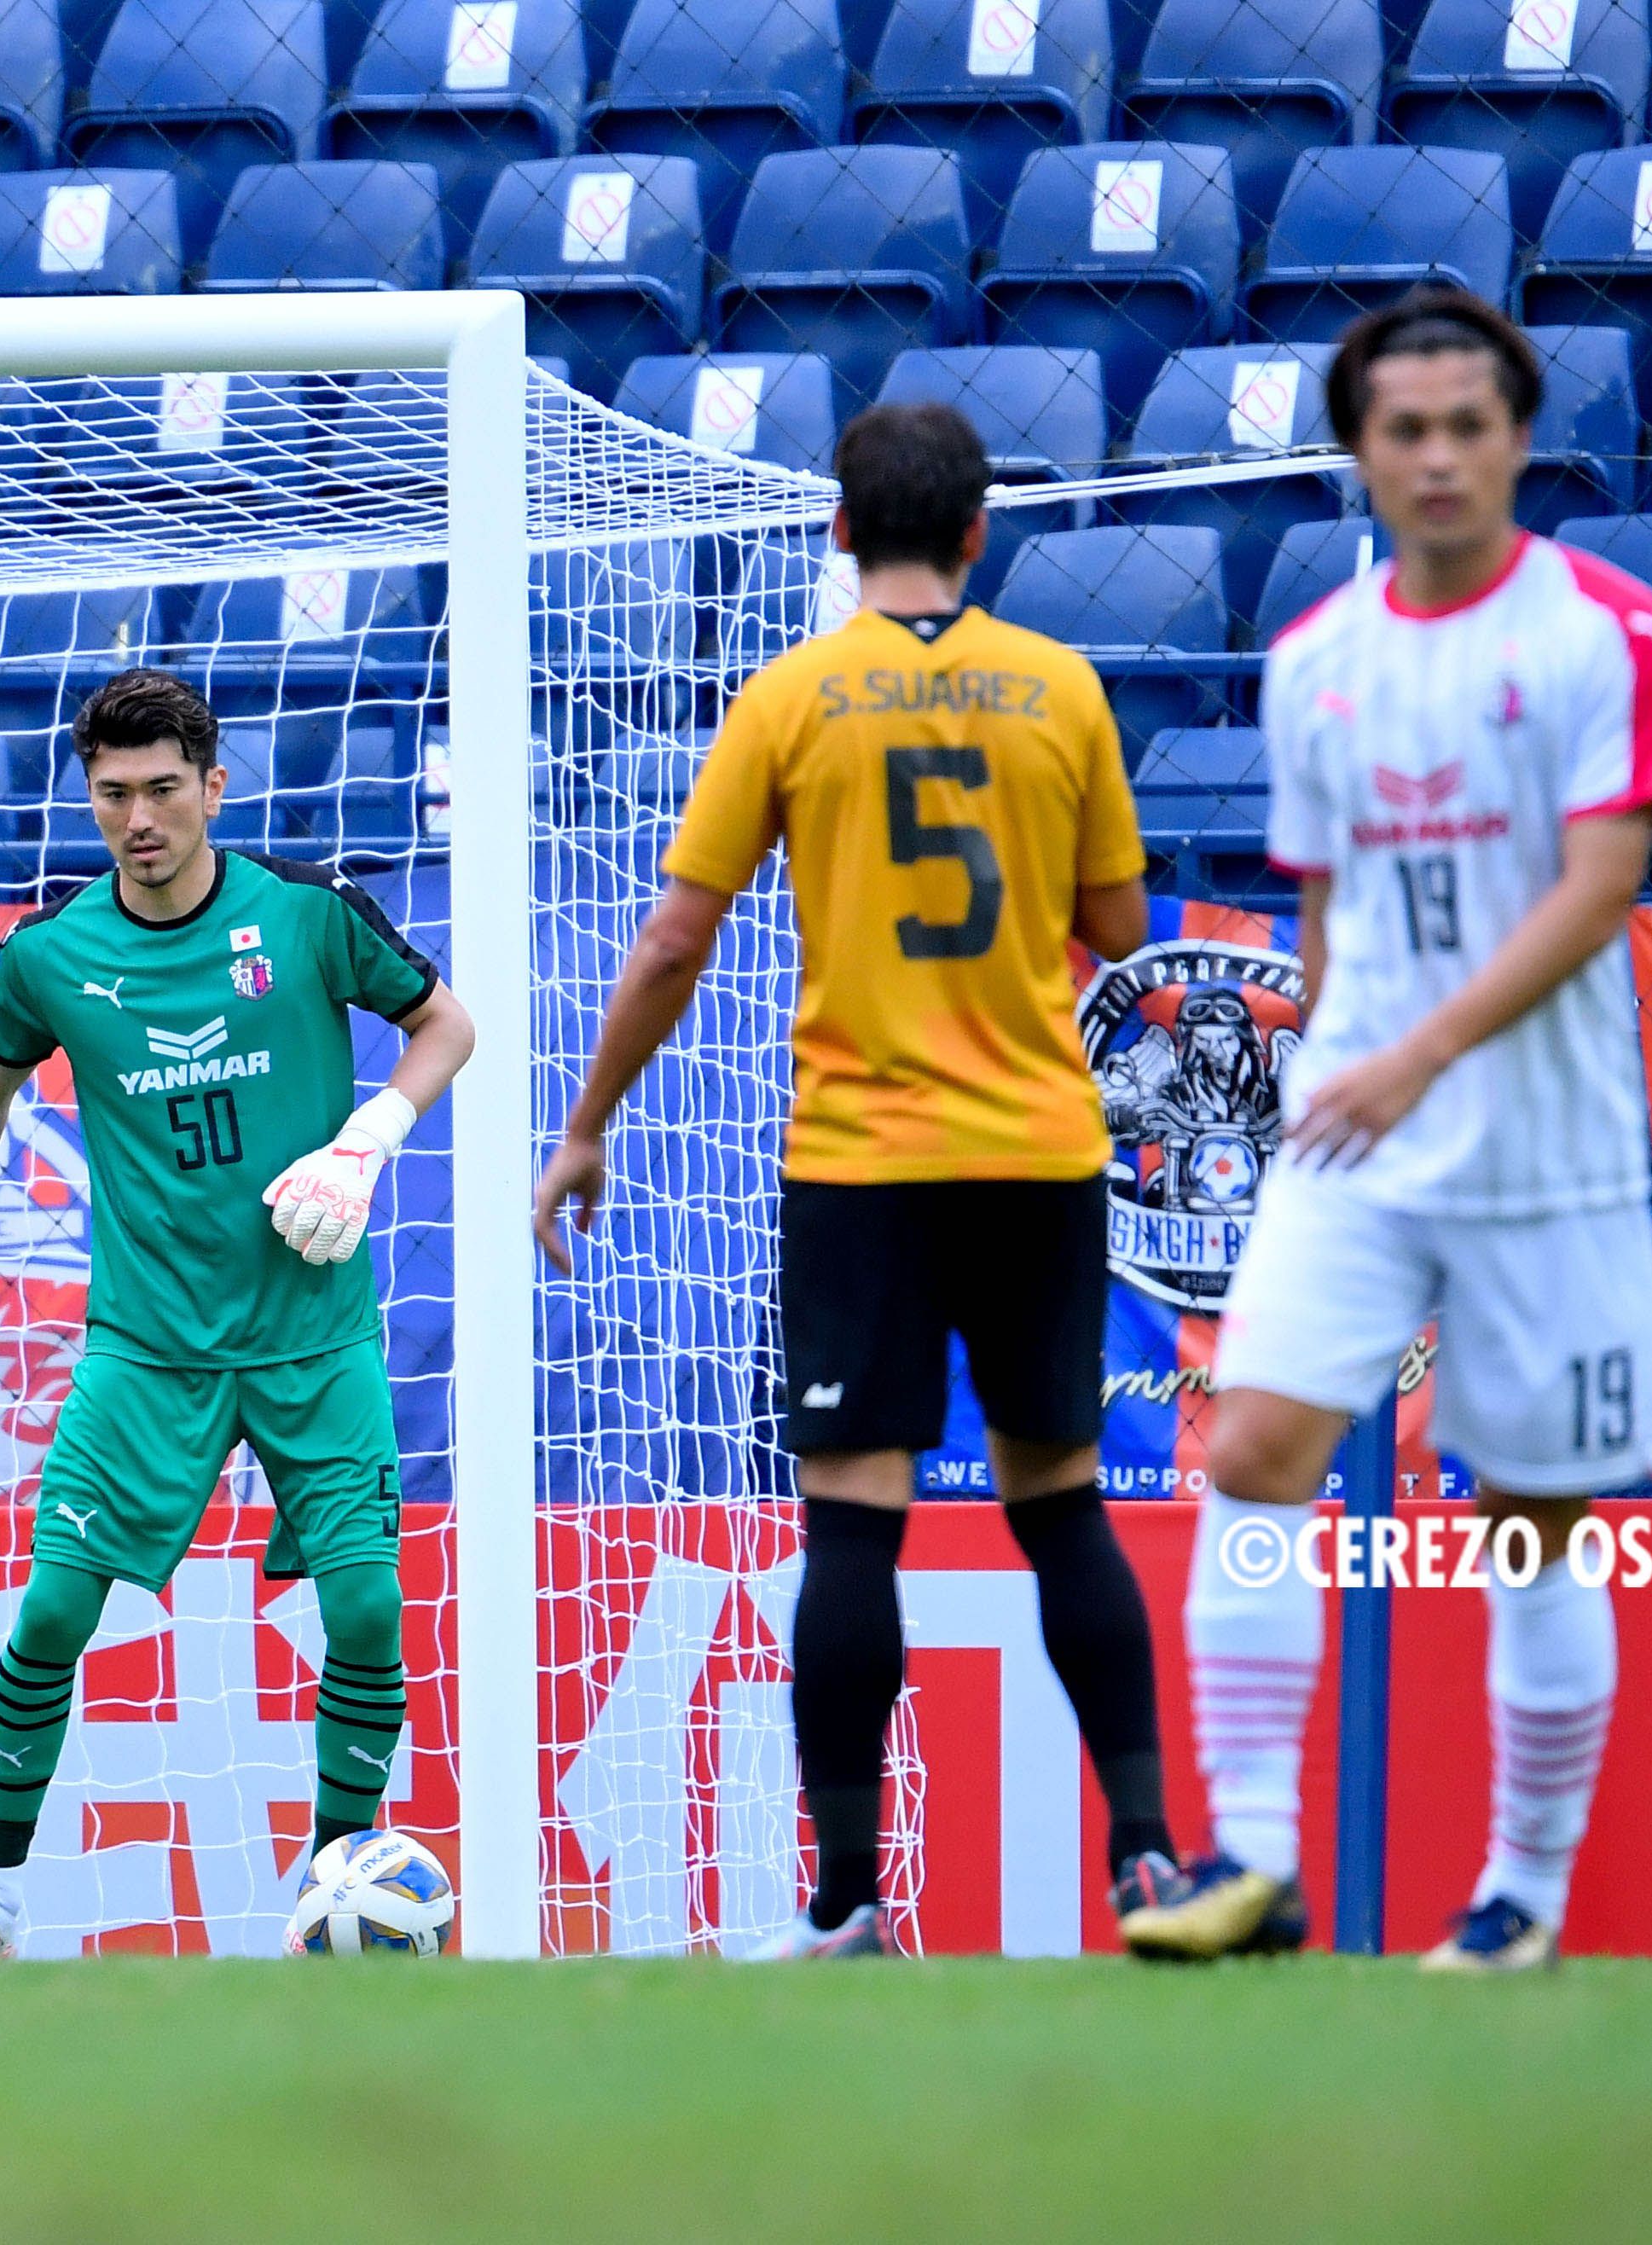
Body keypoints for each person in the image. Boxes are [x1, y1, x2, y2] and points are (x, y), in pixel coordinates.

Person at [534, 401, 1179, 1958]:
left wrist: (588, 1122)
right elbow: (1120, 921)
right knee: (1063, 1504)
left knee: (852, 1527)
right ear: (978, 532)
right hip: (1033, 1151)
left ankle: (843, 1899)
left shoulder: (793, 695)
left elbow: (677, 937)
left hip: (865, 1163)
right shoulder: (1061, 689)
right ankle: (1152, 1857)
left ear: (837, 532)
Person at [1117, 291, 1652, 1974]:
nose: (1435, 458)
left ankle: (1516, 1892)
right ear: (1356, 451)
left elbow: (1601, 888)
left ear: (1513, 436)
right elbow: (1329, 908)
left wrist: (1417, 1048)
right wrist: (1339, 1053)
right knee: (1248, 1453)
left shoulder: (1601, 630)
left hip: (1543, 1152)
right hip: (1356, 1141)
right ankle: (1252, 1864)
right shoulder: (1312, 666)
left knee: (1523, 1521)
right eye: (1401, 431)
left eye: (1465, 426)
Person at [0, 668, 477, 1963]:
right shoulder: (51, 954)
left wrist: (369, 1141)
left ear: (215, 786)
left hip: (315, 1337)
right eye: (113, 795)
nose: (139, 817)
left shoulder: (307, 916)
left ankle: (334, 1899)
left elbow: (445, 1024)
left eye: (162, 789)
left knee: (368, 1616)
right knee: (49, 1615)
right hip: (145, 1349)